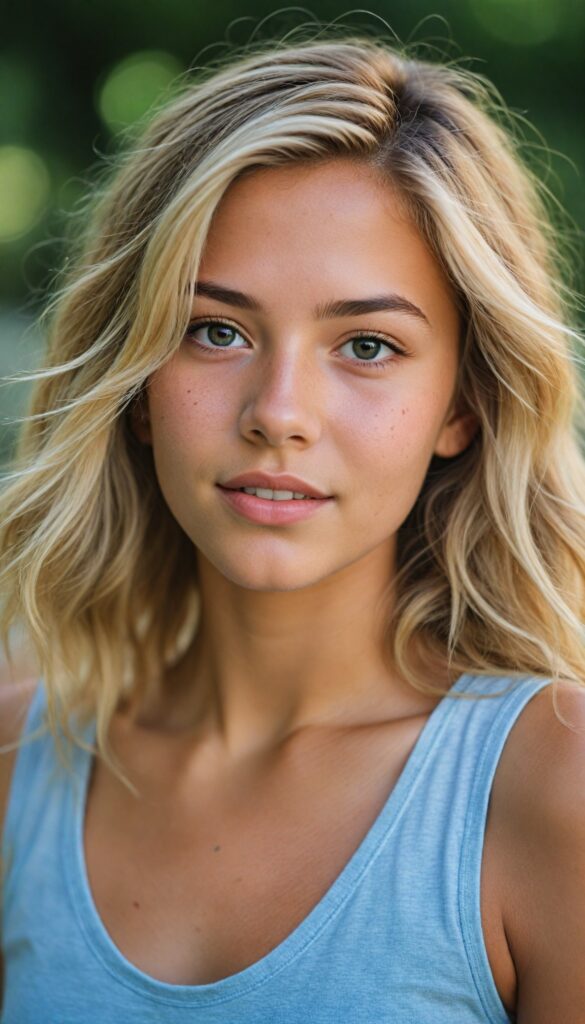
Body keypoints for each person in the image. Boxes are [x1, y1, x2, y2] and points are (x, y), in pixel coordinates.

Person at [0, 32, 584, 1023]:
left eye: (366, 344)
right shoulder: (15, 769)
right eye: (215, 329)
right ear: (136, 379)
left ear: (462, 405)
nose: (277, 410)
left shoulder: (553, 787)